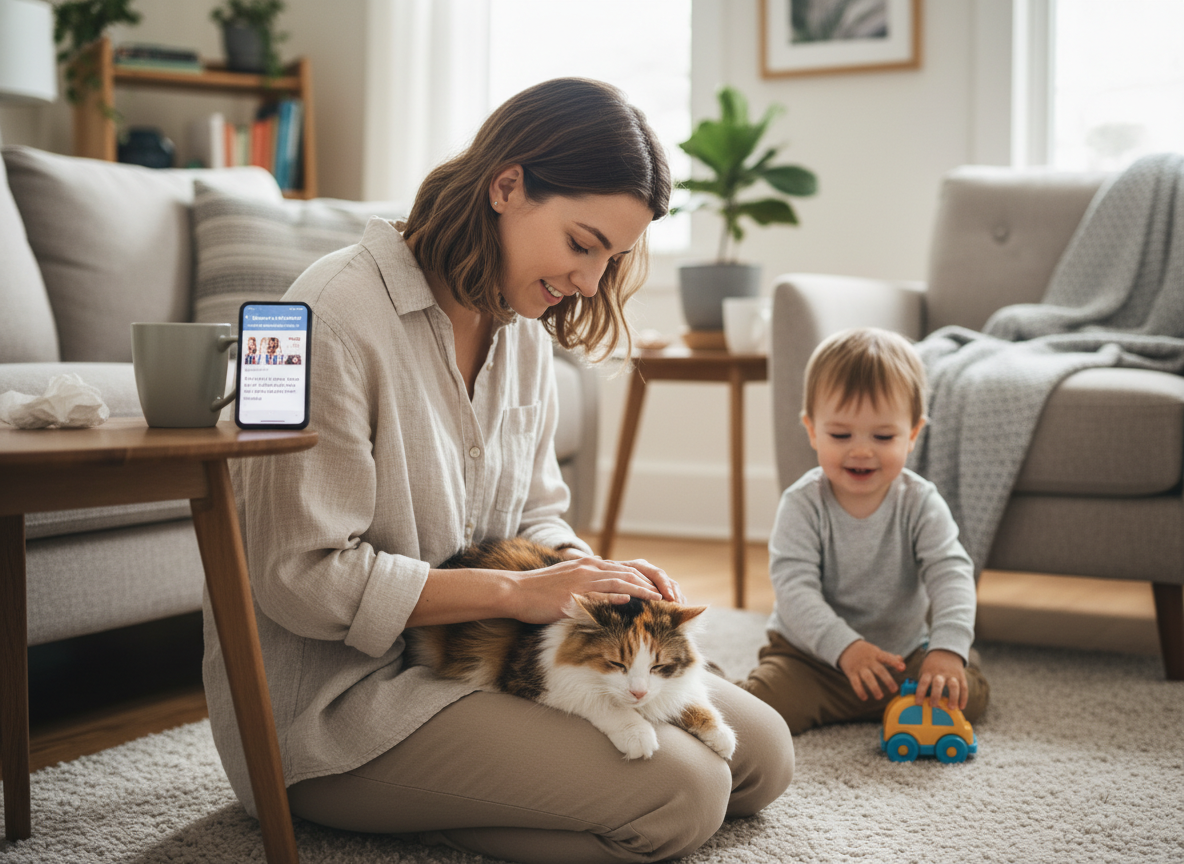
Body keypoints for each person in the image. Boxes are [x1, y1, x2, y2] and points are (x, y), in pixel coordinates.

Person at [202, 78, 793, 864]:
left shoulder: (518, 325)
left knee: (762, 753)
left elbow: (537, 514)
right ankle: (422, 821)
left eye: (610, 258)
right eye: (582, 245)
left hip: (483, 665)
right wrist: (518, 591)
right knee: (685, 797)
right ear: (506, 185)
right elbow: (299, 577)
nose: (589, 282)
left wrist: (594, 580)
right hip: (341, 710)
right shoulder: (325, 318)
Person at [741, 327, 989, 735]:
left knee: (967, 699)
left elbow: (951, 573)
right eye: (840, 435)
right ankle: (710, 684)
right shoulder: (803, 504)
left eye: (883, 436)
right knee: (759, 714)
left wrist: (947, 649)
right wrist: (846, 649)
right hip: (812, 661)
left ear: (912, 434)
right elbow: (794, 588)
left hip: (899, 658)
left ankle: (956, 658)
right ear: (811, 430)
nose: (861, 450)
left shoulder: (920, 502)